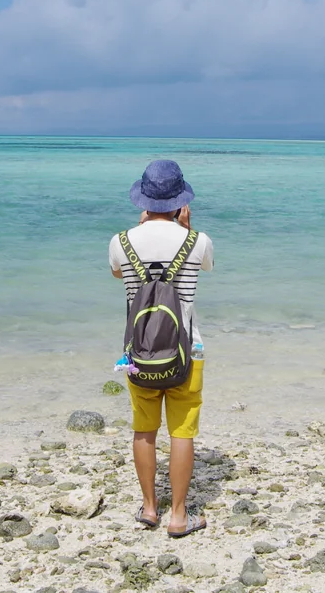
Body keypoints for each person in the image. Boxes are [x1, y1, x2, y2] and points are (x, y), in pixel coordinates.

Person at [109, 159, 214, 538]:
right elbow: (207, 267)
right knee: (182, 432)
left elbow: (118, 273)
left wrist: (139, 235)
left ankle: (151, 508)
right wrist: (185, 231)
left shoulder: (120, 241)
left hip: (138, 354)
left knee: (144, 430)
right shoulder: (197, 240)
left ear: (144, 199)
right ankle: (179, 516)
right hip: (188, 352)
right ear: (180, 201)